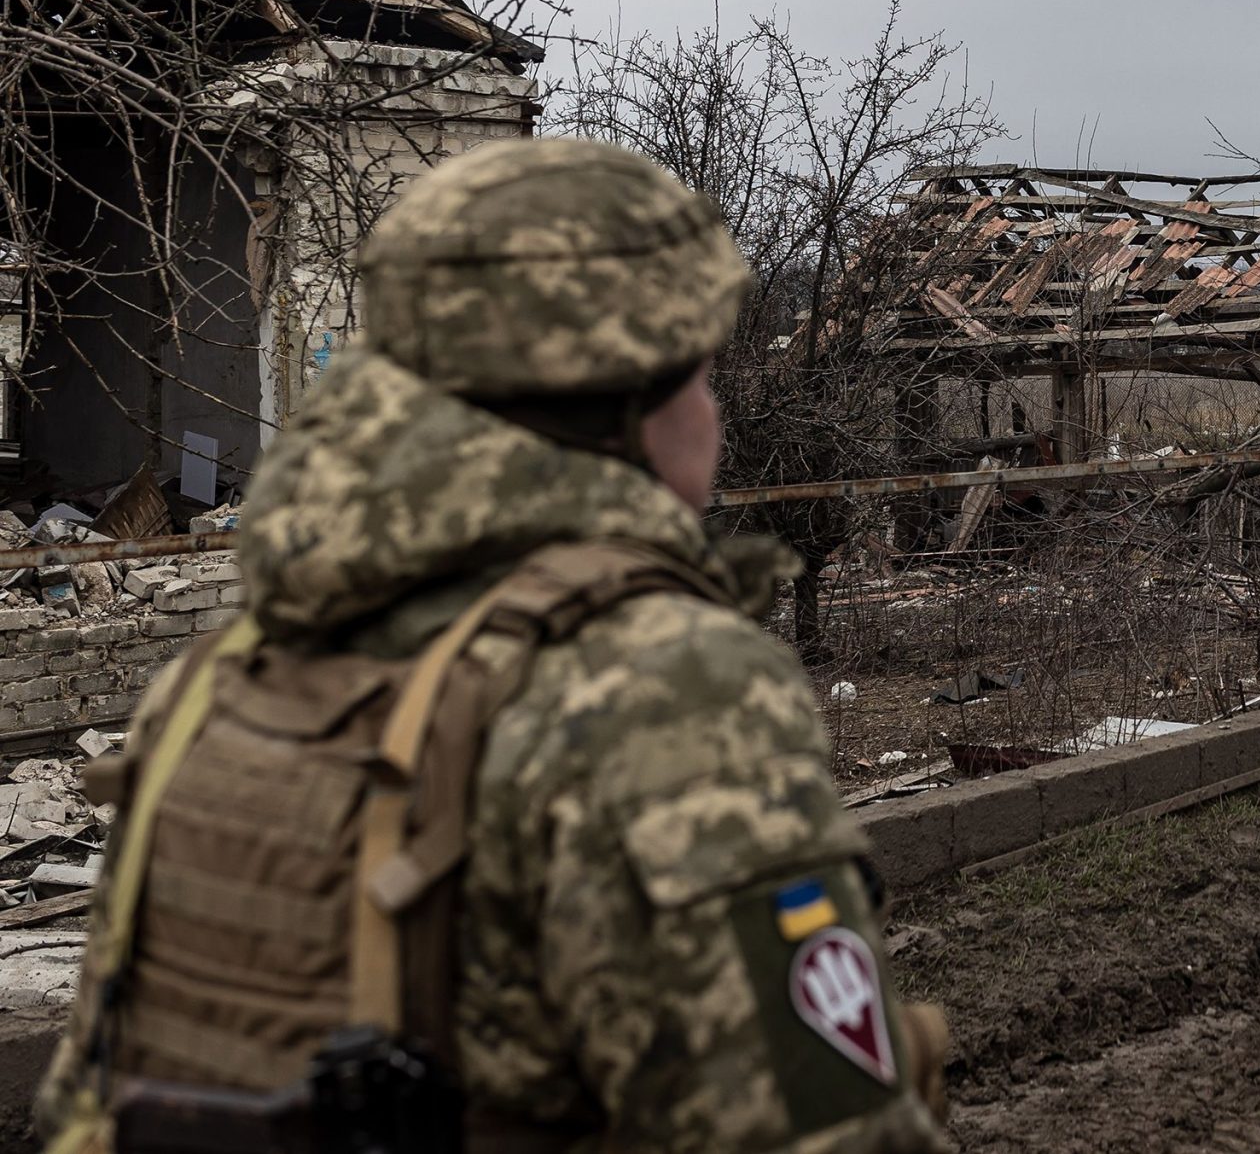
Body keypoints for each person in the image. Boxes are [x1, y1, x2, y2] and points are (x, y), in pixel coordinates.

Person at [38, 138, 953, 1153]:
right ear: (623, 399)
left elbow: (86, 1104)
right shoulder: (655, 687)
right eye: (699, 373)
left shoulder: (217, 682)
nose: (714, 412)